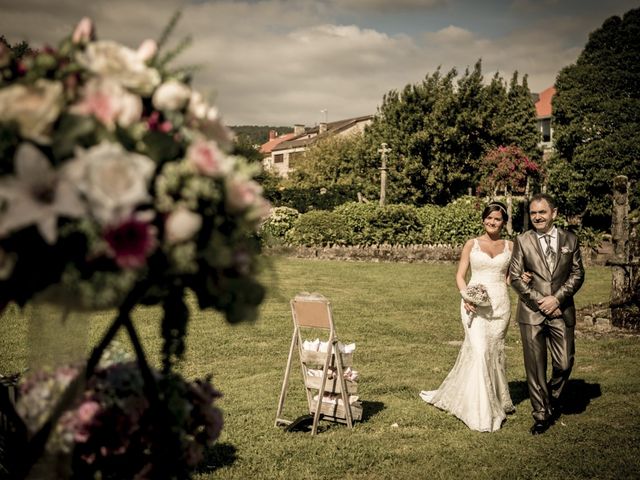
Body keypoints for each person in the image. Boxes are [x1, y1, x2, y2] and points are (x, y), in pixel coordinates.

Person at [420, 201, 517, 432]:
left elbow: (509, 278)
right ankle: (481, 412)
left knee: (492, 352)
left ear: (504, 223)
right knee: (480, 350)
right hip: (473, 306)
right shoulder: (471, 244)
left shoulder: (511, 247)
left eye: (498, 219)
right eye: (489, 218)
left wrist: (521, 279)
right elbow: (460, 275)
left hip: (500, 307)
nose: (493, 222)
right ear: (484, 219)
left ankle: (496, 398)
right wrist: (466, 297)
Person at [509, 192, 585, 435]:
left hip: (561, 309)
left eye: (542, 212)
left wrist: (557, 298)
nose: (538, 217)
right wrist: (540, 300)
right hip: (532, 311)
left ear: (554, 213)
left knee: (564, 362)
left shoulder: (570, 239)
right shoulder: (523, 240)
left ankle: (551, 396)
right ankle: (541, 414)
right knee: (535, 367)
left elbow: (577, 274)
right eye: (533, 213)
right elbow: (515, 276)